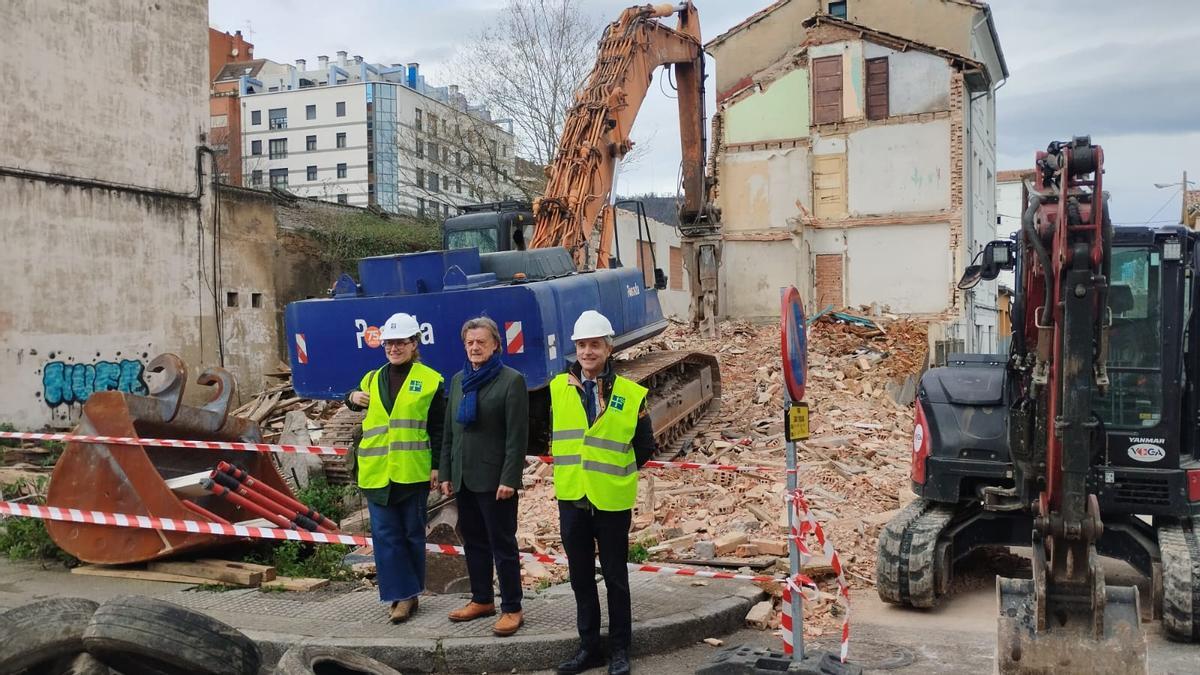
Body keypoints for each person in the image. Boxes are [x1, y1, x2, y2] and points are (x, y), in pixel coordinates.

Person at [552, 310, 655, 675]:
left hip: (611, 500)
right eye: (582, 345)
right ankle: (589, 648)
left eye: (594, 344)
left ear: (609, 348)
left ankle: (620, 650)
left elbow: (645, 446)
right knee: (581, 579)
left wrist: (617, 474)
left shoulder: (630, 394)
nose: (587, 351)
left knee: (615, 578)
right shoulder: (558, 389)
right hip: (573, 498)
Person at [344, 312, 444, 624]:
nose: (394, 348)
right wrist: (351, 396)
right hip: (376, 472)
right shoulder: (372, 378)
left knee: (412, 534)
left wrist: (438, 467)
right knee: (386, 537)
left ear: (414, 344)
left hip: (412, 471)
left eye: (400, 342)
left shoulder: (431, 381)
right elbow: (353, 400)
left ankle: (410, 594)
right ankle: (401, 595)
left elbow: (439, 428)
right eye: (389, 343)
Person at [440, 316, 529, 637]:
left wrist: (510, 478)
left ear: (495, 345)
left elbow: (517, 436)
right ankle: (481, 599)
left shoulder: (511, 381)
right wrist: (447, 472)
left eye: (481, 342)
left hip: (495, 481)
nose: (475, 347)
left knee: (502, 545)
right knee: (474, 542)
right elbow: (450, 433)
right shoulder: (458, 380)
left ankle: (512, 607)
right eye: (470, 342)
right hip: (464, 477)